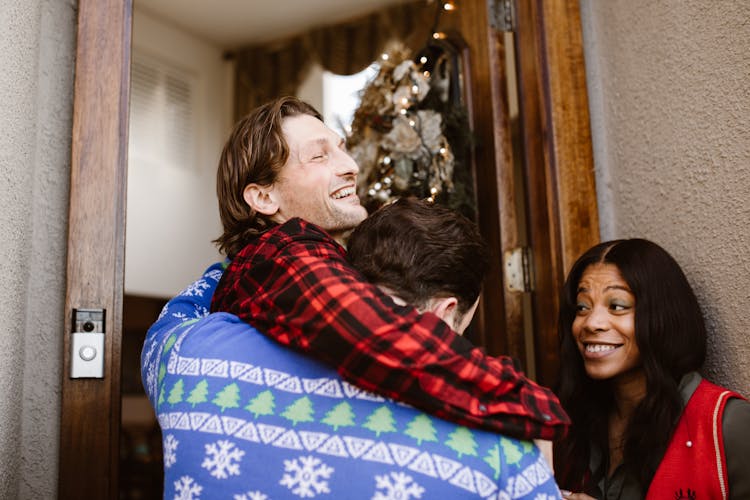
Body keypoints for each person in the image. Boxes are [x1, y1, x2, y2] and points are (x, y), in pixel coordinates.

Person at [142, 199, 562, 498]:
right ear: (445, 310)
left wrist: (278, 249)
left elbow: (183, 307)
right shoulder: (503, 442)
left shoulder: (189, 353)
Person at [209, 95, 568, 442]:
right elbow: (380, 338)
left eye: (341, 147)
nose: (351, 166)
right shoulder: (280, 254)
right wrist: (534, 405)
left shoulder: (310, 257)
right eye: (319, 156)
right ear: (264, 197)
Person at [553, 238, 750, 499]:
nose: (592, 323)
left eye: (617, 306)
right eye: (582, 307)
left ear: (662, 315)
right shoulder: (572, 419)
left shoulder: (727, 424)